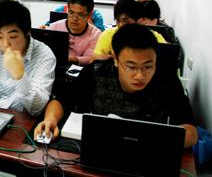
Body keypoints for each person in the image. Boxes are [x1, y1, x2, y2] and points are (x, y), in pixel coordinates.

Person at [35, 24, 198, 148]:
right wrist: (50, 120)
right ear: (115, 60)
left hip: (149, 152)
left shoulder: (167, 80)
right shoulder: (96, 72)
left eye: (148, 66)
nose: (140, 75)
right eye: (131, 67)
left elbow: (191, 131)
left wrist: (154, 142)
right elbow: (61, 100)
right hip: (101, 147)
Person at [93, 0, 166, 60]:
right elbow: (95, 57)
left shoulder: (154, 37)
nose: (120, 25)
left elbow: (168, 58)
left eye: (125, 21)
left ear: (139, 21)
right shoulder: (108, 34)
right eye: (118, 21)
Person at [48, 0, 100, 66]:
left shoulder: (95, 34)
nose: (75, 18)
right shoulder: (54, 27)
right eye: (71, 13)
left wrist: (74, 59)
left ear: (89, 15)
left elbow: (90, 58)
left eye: (80, 15)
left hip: (80, 69)